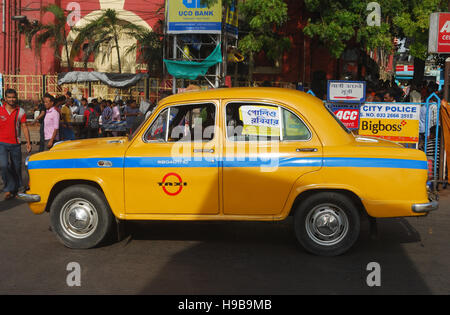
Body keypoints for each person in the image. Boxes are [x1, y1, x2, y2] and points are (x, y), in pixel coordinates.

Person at [0, 89, 32, 200]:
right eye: (9, 97)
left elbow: (24, 126)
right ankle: (9, 188)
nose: (11, 99)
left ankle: (17, 188)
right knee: (3, 166)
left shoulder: (21, 111)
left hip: (15, 143)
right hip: (2, 143)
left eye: (13, 97)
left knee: (17, 167)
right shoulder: (0, 110)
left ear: (16, 97)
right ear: (5, 99)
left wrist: (28, 142)